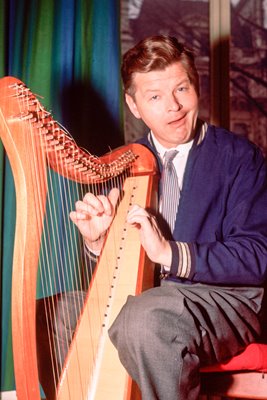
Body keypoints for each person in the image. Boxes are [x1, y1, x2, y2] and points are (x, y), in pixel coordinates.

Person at [69, 35, 267, 399]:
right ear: (133, 105)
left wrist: (169, 254)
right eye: (155, 97)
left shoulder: (240, 157)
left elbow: (257, 257)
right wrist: (98, 243)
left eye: (182, 89)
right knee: (56, 315)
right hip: (150, 298)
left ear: (196, 87)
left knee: (146, 319)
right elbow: (121, 271)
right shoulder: (125, 163)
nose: (173, 106)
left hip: (225, 301)